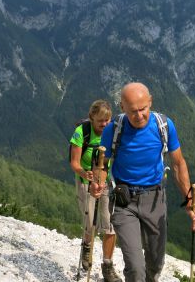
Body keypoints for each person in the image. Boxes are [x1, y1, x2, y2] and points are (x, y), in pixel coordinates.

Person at [91, 82, 195, 282]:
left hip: (155, 199)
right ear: (122, 107)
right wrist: (97, 182)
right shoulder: (114, 129)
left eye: (143, 109)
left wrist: (188, 201)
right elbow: (101, 163)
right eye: (133, 111)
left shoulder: (164, 126)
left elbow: (178, 164)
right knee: (135, 268)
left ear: (150, 102)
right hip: (124, 202)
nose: (139, 115)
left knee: (155, 264)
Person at [70, 99, 123, 282]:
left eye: (107, 120)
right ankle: (87, 247)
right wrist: (87, 175)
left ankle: (107, 266)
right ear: (91, 117)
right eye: (101, 121)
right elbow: (74, 163)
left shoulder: (112, 133)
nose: (104, 124)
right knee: (90, 221)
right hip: (86, 180)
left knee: (110, 225)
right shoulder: (81, 133)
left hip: (107, 181)